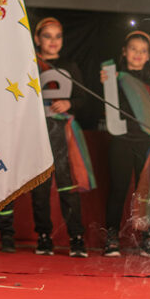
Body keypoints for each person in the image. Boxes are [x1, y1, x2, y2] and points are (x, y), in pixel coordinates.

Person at [30, 17, 95, 256]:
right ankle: (43, 236)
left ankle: (76, 237)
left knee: (68, 184)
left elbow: (82, 98)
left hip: (63, 133)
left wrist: (69, 103)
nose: (53, 41)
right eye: (47, 36)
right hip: (38, 132)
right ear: (37, 39)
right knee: (40, 187)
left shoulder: (69, 66)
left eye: (58, 36)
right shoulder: (31, 64)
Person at [100, 30, 150, 257]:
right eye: (133, 49)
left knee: (147, 192)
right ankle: (111, 239)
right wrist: (105, 82)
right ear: (124, 52)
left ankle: (148, 239)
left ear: (148, 56)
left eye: (143, 51)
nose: (138, 54)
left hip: (146, 143)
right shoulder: (115, 78)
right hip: (122, 141)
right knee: (118, 189)